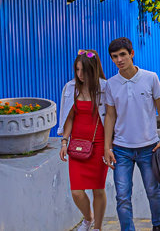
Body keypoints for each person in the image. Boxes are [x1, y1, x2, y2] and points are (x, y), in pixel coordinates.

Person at [103, 37, 160, 231]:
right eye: (115, 57)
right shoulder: (111, 84)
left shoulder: (150, 78)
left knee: (153, 191)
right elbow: (110, 116)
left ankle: (158, 226)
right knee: (122, 196)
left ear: (131, 54)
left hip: (149, 147)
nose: (119, 60)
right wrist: (107, 147)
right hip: (121, 149)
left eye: (123, 55)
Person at [59, 50, 109, 231]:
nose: (80, 75)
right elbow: (68, 117)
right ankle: (88, 219)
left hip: (99, 145)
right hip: (77, 146)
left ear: (94, 70)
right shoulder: (70, 88)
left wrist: (109, 146)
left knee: (98, 188)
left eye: (84, 71)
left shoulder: (105, 87)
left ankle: (98, 227)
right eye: (77, 70)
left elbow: (111, 116)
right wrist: (64, 141)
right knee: (77, 192)